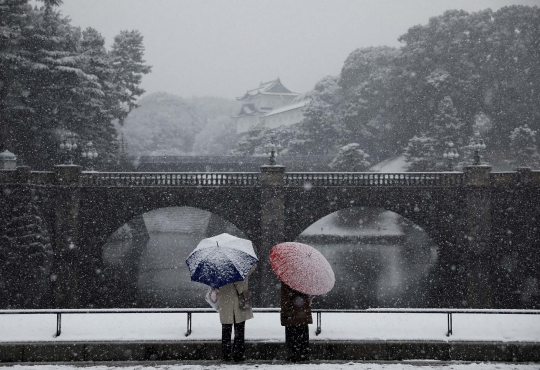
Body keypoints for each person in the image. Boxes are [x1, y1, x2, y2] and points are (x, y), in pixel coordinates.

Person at [218, 264, 256, 362]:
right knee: (239, 330)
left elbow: (214, 286)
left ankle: (226, 354)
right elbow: (254, 265)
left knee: (226, 330)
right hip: (240, 301)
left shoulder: (220, 271)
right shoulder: (243, 268)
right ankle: (238, 354)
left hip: (226, 303)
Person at [280, 281, 312, 362]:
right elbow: (308, 296)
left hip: (291, 313)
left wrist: (285, 312)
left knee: (292, 335)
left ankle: (294, 355)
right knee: (303, 333)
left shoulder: (286, 279)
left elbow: (285, 298)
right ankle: (303, 354)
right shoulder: (305, 279)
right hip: (303, 312)